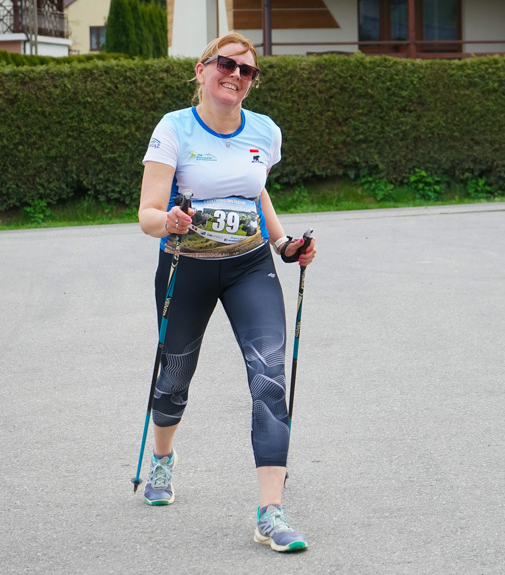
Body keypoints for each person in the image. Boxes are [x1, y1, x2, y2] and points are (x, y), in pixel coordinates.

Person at [137, 32, 317, 553]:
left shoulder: (263, 131)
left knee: (269, 381)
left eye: (247, 71)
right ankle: (163, 461)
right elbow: (147, 213)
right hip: (184, 268)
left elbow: (254, 187)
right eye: (227, 65)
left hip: (249, 267)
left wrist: (285, 244)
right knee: (174, 378)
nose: (236, 76)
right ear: (202, 70)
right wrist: (165, 219)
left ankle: (271, 512)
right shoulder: (173, 128)